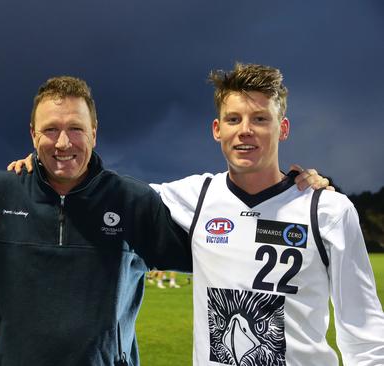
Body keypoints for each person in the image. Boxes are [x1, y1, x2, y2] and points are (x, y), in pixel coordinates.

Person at [151, 63, 384, 365]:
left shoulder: (328, 211)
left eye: (260, 119)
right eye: (233, 119)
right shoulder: (195, 196)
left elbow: (365, 335)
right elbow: (110, 195)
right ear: (217, 129)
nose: (245, 130)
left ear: (282, 129)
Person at [0, 76, 192, 366]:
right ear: (33, 135)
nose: (63, 143)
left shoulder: (133, 202)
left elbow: (215, 257)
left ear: (93, 132)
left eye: (75, 129)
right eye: (50, 129)